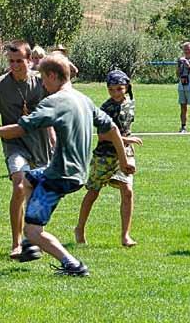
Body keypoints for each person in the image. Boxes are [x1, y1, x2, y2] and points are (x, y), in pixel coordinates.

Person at [0, 53, 135, 276]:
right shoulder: (83, 99)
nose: (43, 85)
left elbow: (19, 129)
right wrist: (123, 161)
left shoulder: (54, 102)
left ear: (53, 76)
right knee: (26, 180)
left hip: (59, 175)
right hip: (75, 172)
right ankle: (30, 243)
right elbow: (112, 128)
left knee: (33, 230)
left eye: (44, 79)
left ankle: (72, 264)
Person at [0, 40, 52, 260]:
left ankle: (34, 239)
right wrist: (2, 133)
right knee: (19, 184)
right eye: (11, 61)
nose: (15, 65)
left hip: (40, 144)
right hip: (15, 145)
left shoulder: (42, 83)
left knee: (39, 193)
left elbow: (53, 111)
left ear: (30, 60)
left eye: (19, 61)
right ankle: (17, 242)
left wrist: (54, 137)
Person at [74, 70, 142, 247]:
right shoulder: (105, 108)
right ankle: (79, 228)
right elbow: (103, 135)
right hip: (104, 156)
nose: (116, 93)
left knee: (127, 191)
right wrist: (127, 139)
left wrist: (127, 146)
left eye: (119, 89)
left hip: (124, 154)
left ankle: (125, 235)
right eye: (111, 90)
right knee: (93, 192)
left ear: (126, 87)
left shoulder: (130, 103)